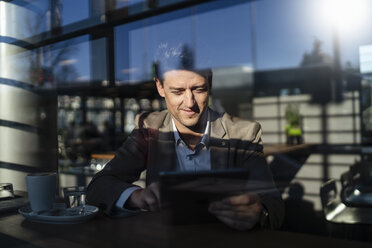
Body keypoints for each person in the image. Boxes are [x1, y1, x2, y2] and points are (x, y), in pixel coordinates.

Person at [86, 45, 284, 230]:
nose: (190, 103)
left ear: (210, 84)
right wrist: (136, 196)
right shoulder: (149, 129)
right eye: (178, 91)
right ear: (160, 87)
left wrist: (258, 211)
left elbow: (274, 206)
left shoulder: (244, 133)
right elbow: (98, 187)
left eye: (198, 89)